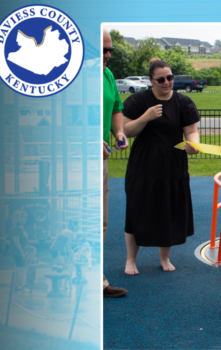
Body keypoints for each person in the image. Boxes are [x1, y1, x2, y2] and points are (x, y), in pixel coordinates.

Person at [121, 58, 200, 275]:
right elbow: (126, 131)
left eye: (170, 77)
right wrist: (146, 117)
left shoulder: (183, 102)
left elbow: (191, 131)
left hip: (173, 165)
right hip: (143, 164)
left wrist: (194, 143)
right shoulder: (139, 100)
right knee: (136, 211)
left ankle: (164, 257)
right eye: (161, 79)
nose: (167, 82)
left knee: (169, 211)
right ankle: (130, 260)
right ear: (151, 80)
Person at [102, 28, 129, 298]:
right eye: (102, 50)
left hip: (99, 161)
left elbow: (116, 109)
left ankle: (95, 281)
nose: (108, 55)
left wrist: (118, 132)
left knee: (100, 223)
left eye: (110, 50)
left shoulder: (107, 75)